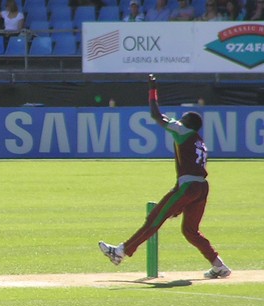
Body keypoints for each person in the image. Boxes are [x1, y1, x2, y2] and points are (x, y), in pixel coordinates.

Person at [98, 74, 232, 280]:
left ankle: (121, 252)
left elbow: (155, 115)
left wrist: (152, 88)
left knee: (154, 220)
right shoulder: (198, 139)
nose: (179, 120)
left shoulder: (183, 131)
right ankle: (219, 265)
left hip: (187, 188)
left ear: (187, 123)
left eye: (183, 118)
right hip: (201, 187)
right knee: (190, 231)